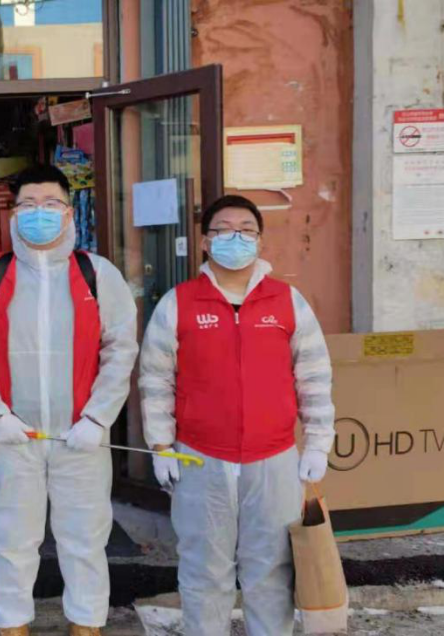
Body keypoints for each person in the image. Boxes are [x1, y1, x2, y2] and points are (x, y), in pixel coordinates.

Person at [0, 165, 139, 637]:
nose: (40, 213)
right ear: (14, 214)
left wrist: (98, 418)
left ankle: (87, 624)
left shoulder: (97, 274)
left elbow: (120, 350)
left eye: (51, 203)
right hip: (13, 435)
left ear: (69, 212)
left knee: (85, 538)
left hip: (81, 435)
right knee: (11, 538)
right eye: (29, 205)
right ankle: (12, 625)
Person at [139, 194, 336, 636]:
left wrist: (318, 443)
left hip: (274, 459)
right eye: (224, 230)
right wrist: (161, 444)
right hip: (199, 458)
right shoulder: (178, 302)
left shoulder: (287, 301)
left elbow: (314, 376)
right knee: (204, 570)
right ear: (205, 241)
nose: (236, 238)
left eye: (247, 230)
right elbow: (155, 379)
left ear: (260, 241)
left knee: (272, 570)